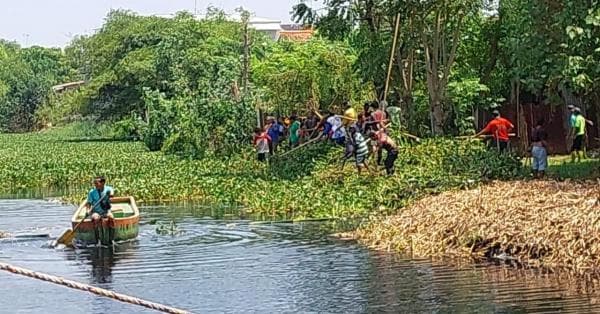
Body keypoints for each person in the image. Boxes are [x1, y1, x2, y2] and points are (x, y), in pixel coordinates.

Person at [86, 176, 115, 244]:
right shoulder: (92, 192)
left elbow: (112, 194)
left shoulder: (108, 189)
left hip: (106, 211)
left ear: (103, 183)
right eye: (94, 183)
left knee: (111, 217)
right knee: (95, 218)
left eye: (97, 183)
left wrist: (109, 194)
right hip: (96, 211)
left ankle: (111, 240)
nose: (95, 185)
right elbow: (89, 203)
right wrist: (87, 211)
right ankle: (98, 240)